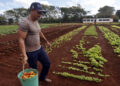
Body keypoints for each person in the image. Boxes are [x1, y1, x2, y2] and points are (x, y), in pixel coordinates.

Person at [17, 2, 51, 83]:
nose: (40, 15)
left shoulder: (36, 21)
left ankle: (42, 78)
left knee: (47, 63)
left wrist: (46, 41)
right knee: (33, 70)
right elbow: (21, 39)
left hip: (39, 49)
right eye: (39, 12)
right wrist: (24, 55)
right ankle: (33, 83)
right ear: (32, 10)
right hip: (30, 52)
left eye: (41, 13)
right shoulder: (25, 23)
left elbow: (39, 32)